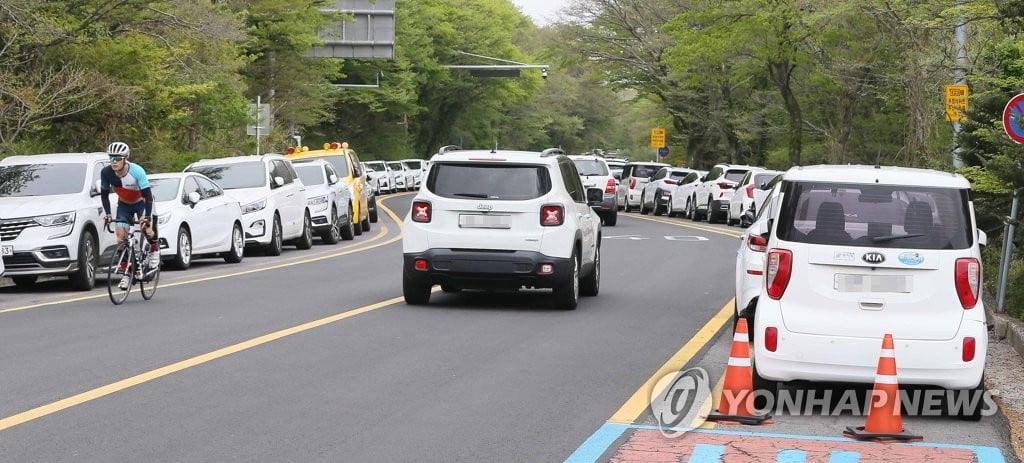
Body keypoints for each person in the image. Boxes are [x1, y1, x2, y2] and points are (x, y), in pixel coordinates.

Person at [99, 142, 160, 289]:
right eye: (111, 158)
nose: (113, 162)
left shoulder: (137, 171)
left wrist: (147, 217)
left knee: (146, 228)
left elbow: (148, 196)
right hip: (124, 204)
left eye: (117, 159)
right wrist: (107, 214)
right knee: (120, 237)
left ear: (125, 158)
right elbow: (104, 195)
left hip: (142, 202)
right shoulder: (106, 173)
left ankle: (154, 249)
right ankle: (127, 273)